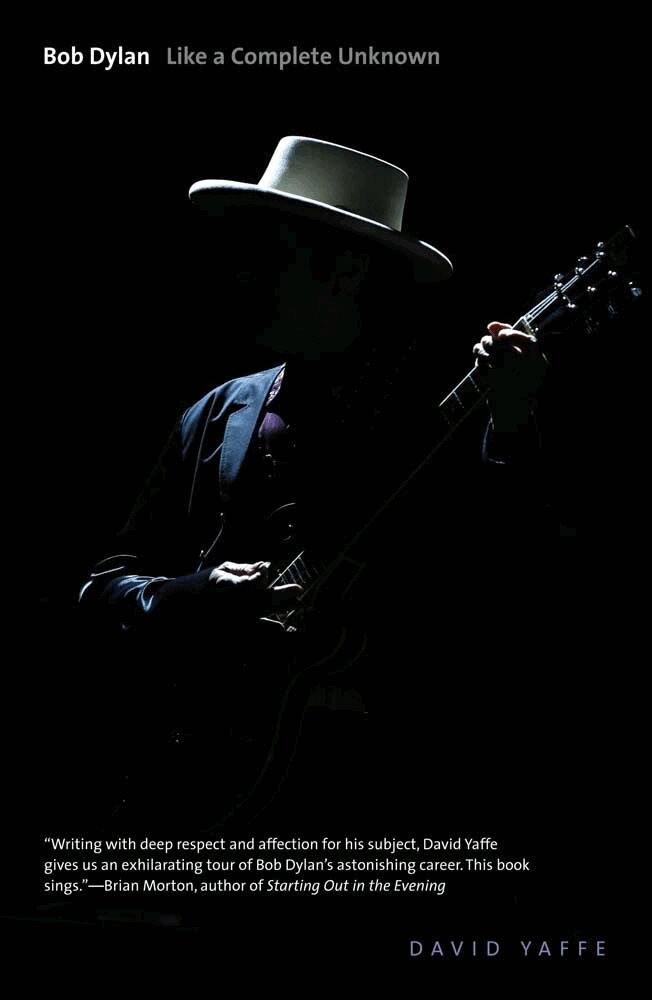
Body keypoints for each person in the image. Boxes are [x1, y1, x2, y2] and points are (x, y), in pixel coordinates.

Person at [78, 137, 546, 827]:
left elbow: (517, 574)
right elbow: (102, 587)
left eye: (273, 255)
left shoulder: (431, 421)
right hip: (196, 771)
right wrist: (197, 594)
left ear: (346, 270)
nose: (244, 275)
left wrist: (510, 423)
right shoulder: (217, 412)